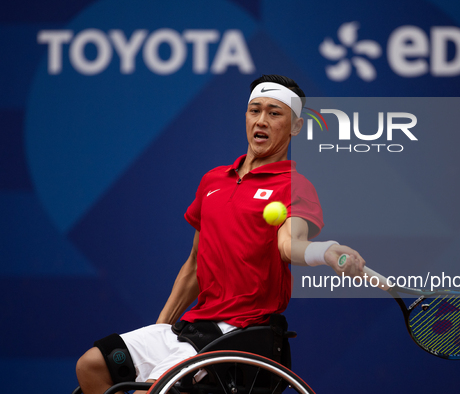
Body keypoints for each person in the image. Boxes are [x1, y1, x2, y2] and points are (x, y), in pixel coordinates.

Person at [75, 75, 366, 394]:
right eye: (255, 110)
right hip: (193, 326)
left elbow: (289, 244)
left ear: (295, 127)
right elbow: (194, 266)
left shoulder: (295, 186)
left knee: (151, 391)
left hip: (241, 332)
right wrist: (161, 329)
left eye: (275, 113)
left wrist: (325, 251)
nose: (262, 120)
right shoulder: (214, 181)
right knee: (91, 366)